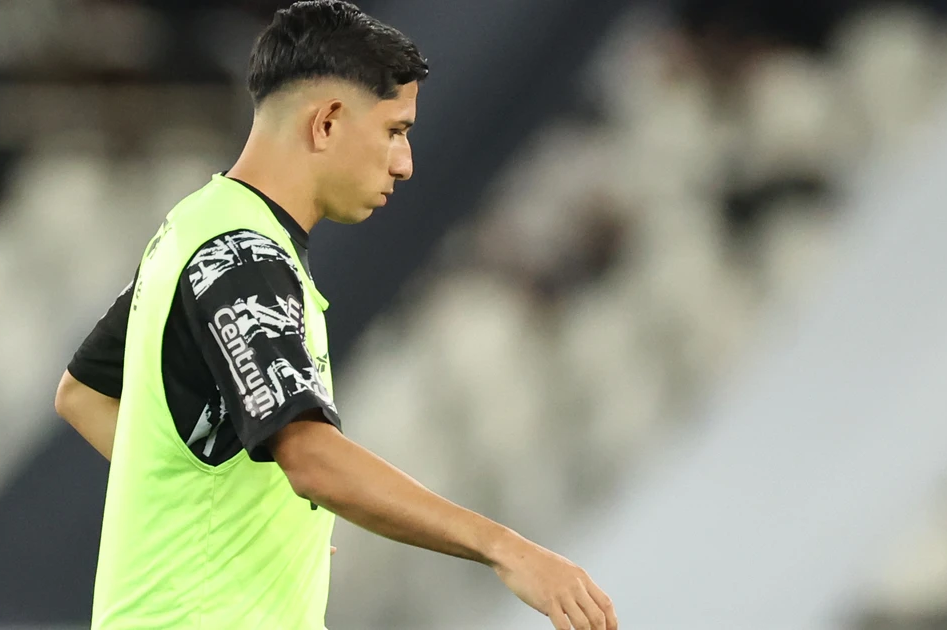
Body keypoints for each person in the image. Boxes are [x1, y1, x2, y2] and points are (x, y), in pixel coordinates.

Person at [54, 2, 617, 629]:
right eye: (395, 131)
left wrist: (256, 520)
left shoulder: (197, 228)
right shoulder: (242, 258)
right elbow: (311, 457)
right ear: (326, 123)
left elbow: (84, 393)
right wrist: (505, 548)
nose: (404, 163)